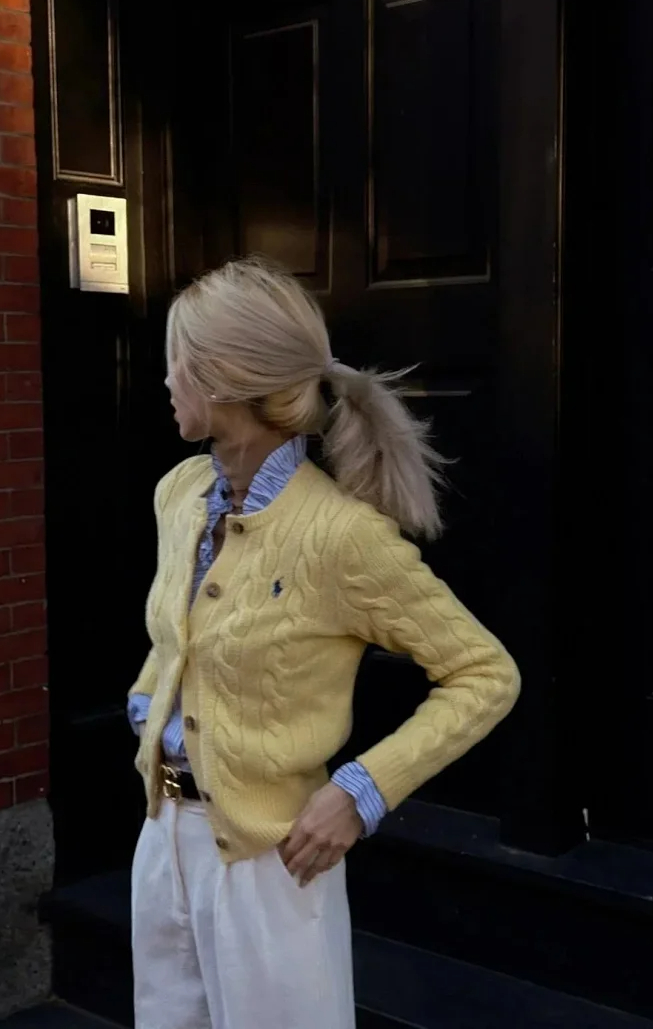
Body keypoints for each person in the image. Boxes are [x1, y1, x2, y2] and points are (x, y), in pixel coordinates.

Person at [127, 257, 521, 1029]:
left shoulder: (340, 537)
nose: (166, 378)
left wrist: (359, 791)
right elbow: (180, 632)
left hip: (271, 865)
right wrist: (149, 704)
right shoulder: (179, 495)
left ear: (226, 378)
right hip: (162, 836)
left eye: (179, 360)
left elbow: (485, 674)